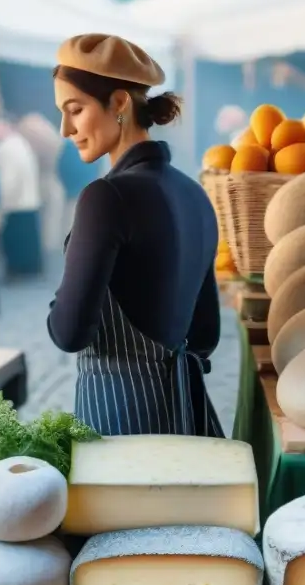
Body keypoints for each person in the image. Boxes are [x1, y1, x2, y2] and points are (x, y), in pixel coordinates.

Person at [49, 33, 221, 437]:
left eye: (75, 110)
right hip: (183, 416)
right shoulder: (194, 193)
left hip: (120, 421)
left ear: (120, 102)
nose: (64, 129)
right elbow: (206, 333)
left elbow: (68, 331)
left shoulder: (105, 197)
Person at [0, 118, 43, 278]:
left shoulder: (6, 148)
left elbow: (8, 180)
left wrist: (0, 203)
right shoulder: (20, 143)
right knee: (27, 240)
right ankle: (31, 268)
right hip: (28, 200)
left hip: (15, 204)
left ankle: (19, 271)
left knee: (16, 242)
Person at [16, 114, 66, 254]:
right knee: (51, 221)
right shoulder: (53, 138)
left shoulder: (27, 139)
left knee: (46, 220)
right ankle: (49, 249)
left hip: (41, 182)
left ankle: (46, 250)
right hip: (51, 181)